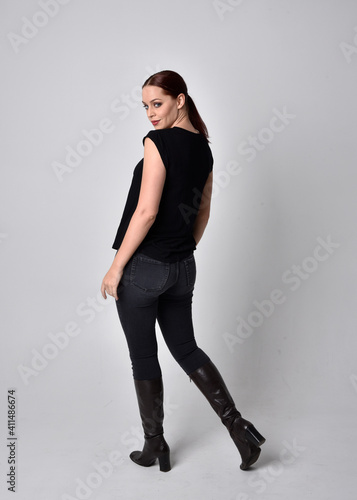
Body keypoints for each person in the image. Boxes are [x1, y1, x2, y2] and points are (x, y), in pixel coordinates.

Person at [101, 70, 265, 473]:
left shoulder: (157, 142)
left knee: (144, 355)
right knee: (186, 348)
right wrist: (183, 249)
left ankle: (154, 444)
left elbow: (147, 210)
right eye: (144, 107)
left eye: (157, 103)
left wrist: (115, 267)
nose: (150, 114)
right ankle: (239, 427)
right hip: (182, 268)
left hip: (143, 268)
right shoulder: (203, 148)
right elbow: (204, 208)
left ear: (181, 99)